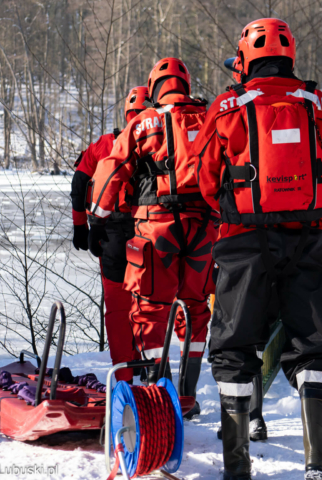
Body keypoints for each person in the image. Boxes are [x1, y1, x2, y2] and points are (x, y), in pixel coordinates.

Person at [193, 18, 322, 480]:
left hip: (242, 241)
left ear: (245, 60)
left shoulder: (226, 108)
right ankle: (320, 464)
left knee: (234, 348)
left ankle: (237, 469)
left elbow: (202, 180)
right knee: (313, 348)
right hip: (310, 239)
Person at [87, 58, 217, 419]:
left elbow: (112, 167)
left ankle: (157, 396)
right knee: (195, 306)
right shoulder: (212, 118)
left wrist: (96, 216)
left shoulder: (145, 122)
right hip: (204, 227)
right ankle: (187, 397)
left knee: (150, 308)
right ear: (186, 85)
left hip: (157, 225)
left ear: (155, 87)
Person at [70, 86, 149, 383]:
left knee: (118, 307)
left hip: (112, 234)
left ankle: (124, 378)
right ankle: (154, 373)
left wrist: (81, 226)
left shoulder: (105, 144)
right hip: (153, 231)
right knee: (152, 303)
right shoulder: (167, 142)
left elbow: (79, 185)